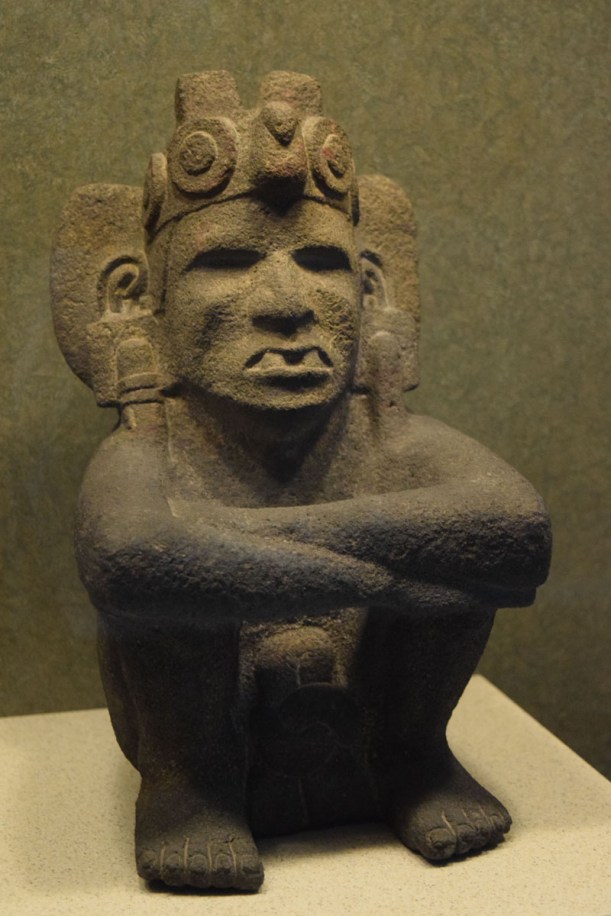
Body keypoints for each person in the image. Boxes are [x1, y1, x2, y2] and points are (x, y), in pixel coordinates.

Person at [56, 71, 551, 891]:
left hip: (376, 707)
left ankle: (410, 757)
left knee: (203, 578)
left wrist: (229, 553)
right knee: (172, 600)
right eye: (227, 263)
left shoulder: (393, 440)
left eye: (320, 262)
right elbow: (130, 558)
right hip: (195, 734)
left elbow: (517, 529)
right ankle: (192, 783)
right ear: (137, 302)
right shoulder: (150, 448)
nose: (285, 303)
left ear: (369, 289)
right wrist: (396, 573)